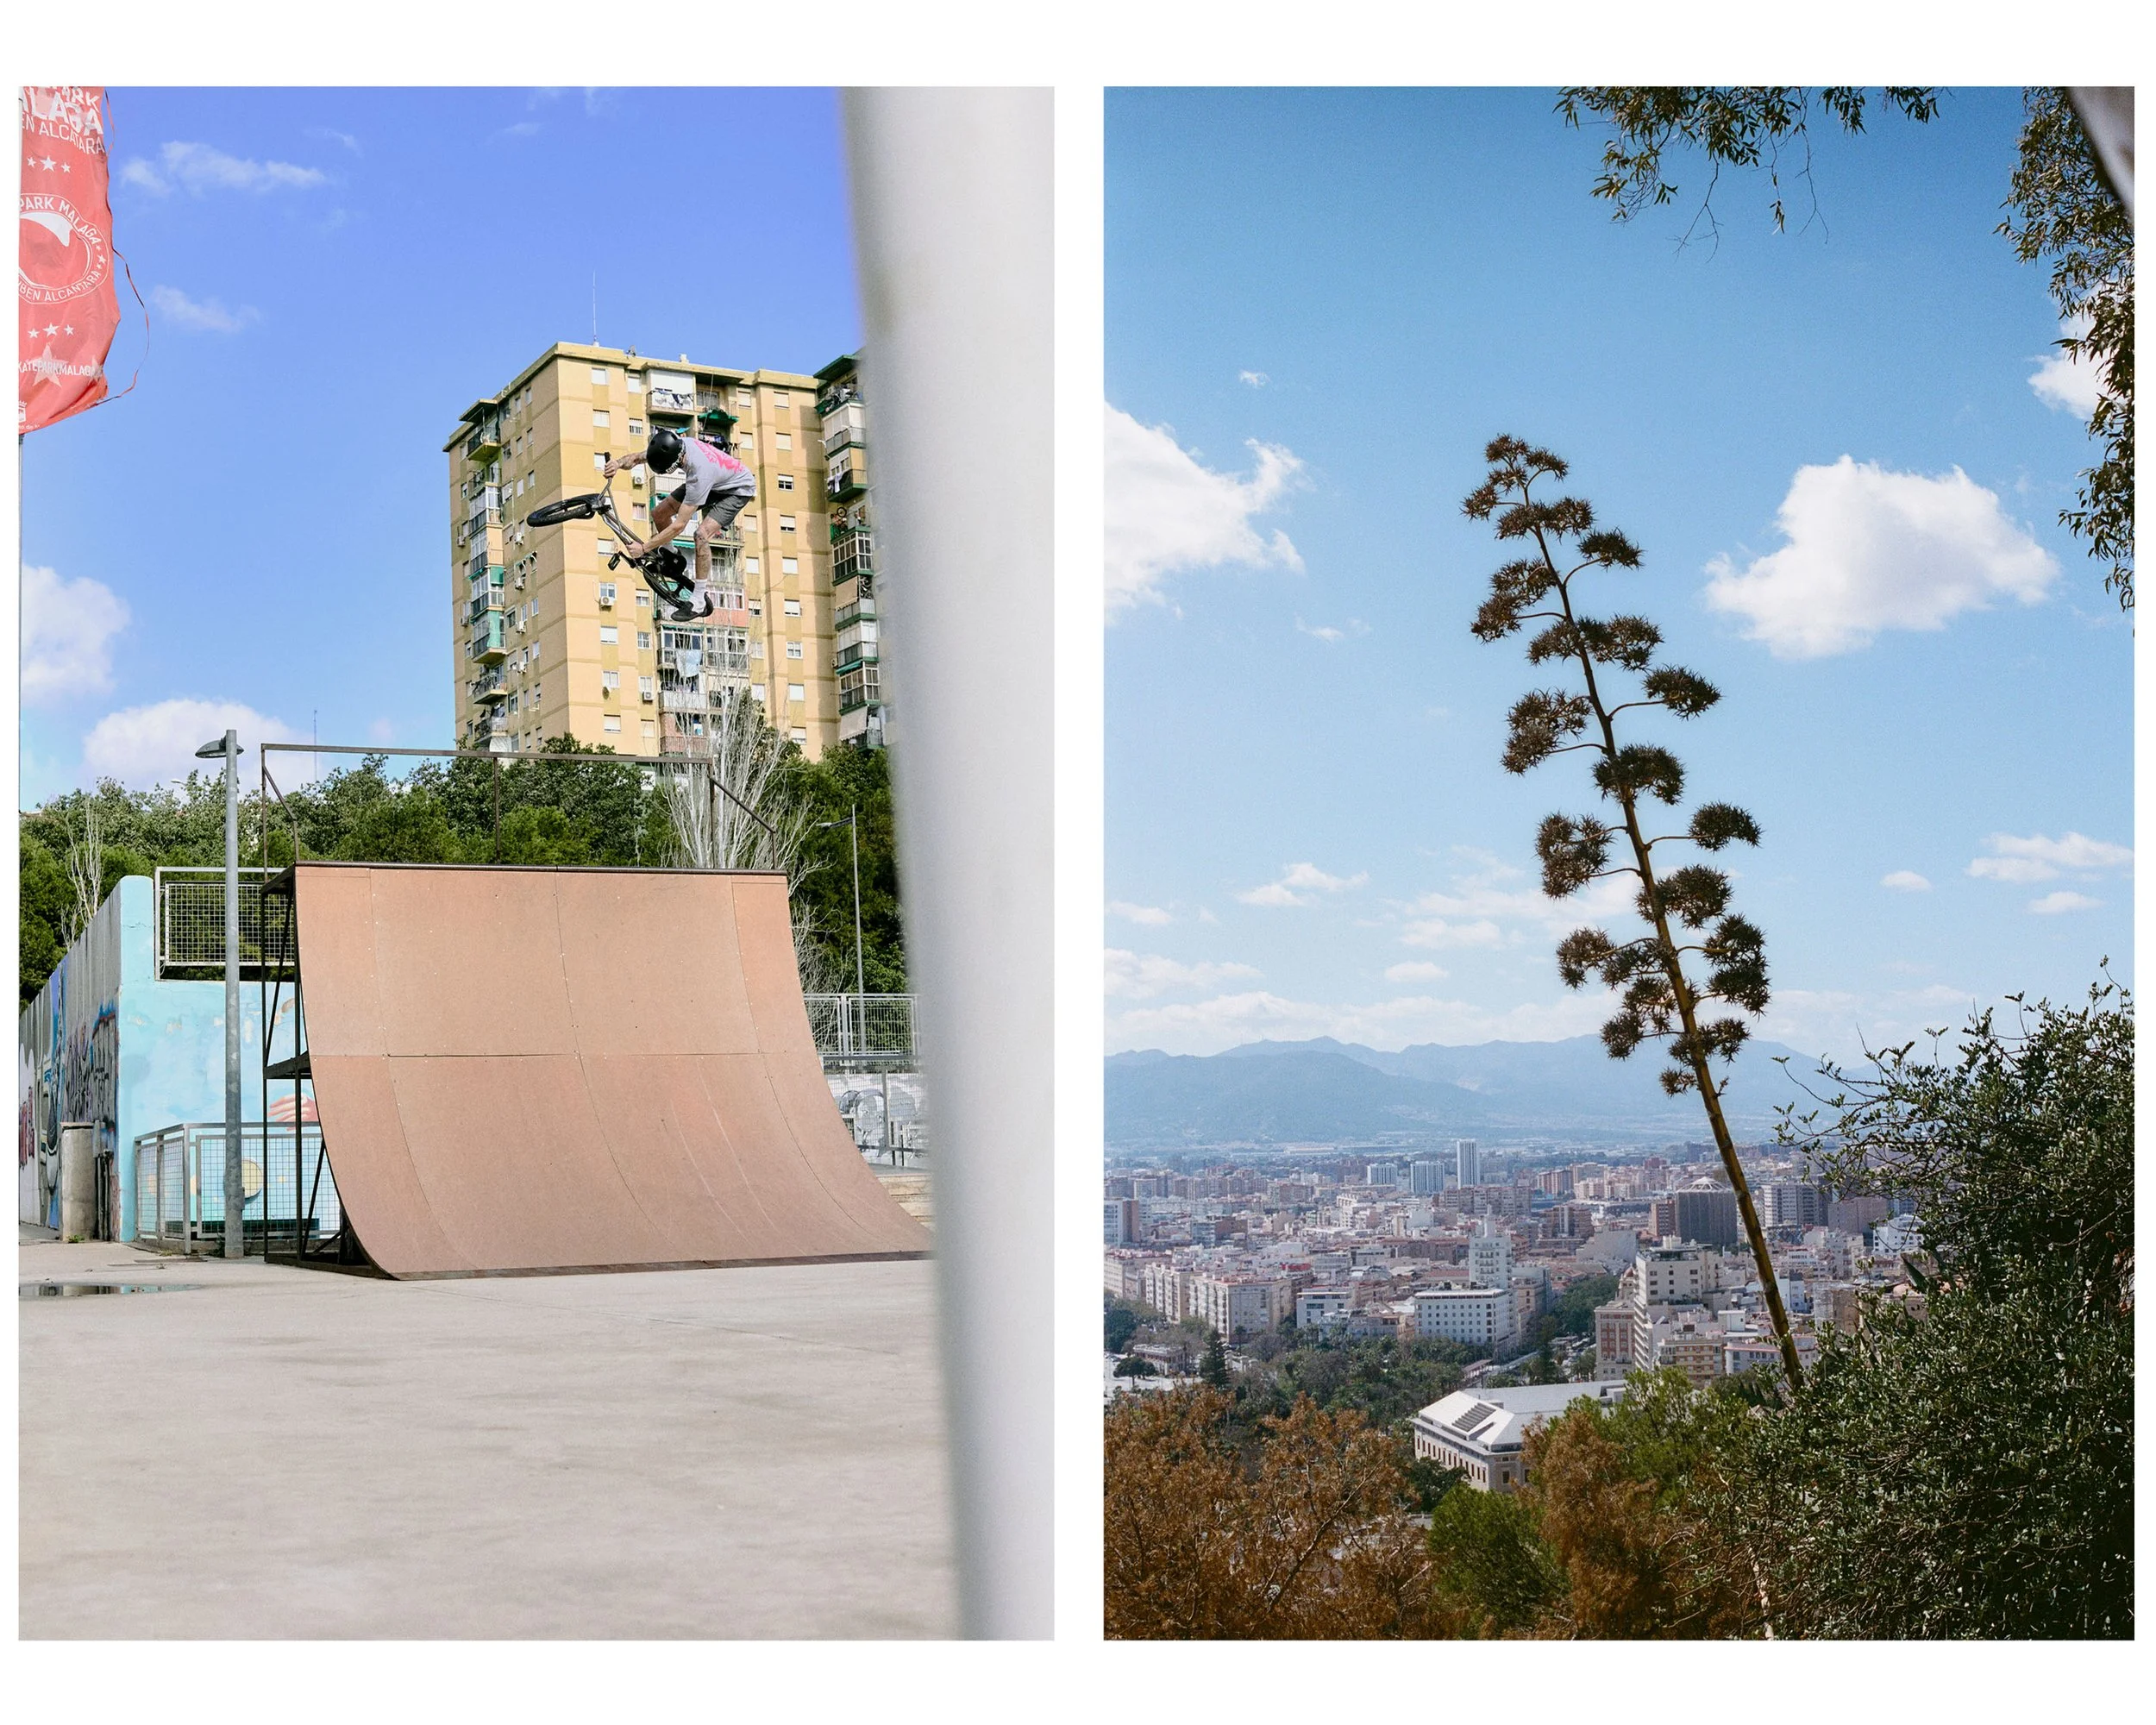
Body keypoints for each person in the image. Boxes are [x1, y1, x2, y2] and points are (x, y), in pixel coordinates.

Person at [602, 425, 755, 620]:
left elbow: (678, 526)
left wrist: (644, 547)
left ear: (674, 464)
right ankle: (673, 558)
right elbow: (637, 458)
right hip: (718, 478)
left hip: (737, 489)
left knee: (701, 535)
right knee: (659, 513)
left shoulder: (699, 475)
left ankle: (698, 600)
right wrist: (617, 463)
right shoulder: (675, 446)